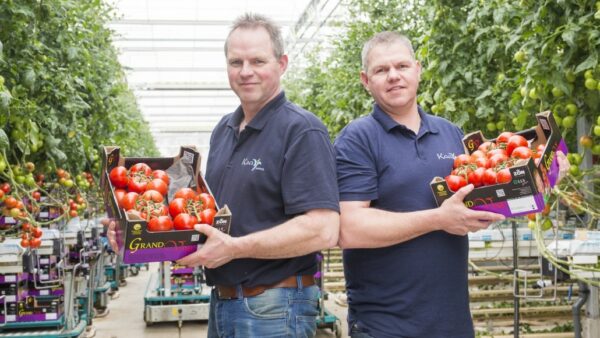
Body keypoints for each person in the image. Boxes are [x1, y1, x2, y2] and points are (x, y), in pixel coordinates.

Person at [108, 12, 339, 338]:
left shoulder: (301, 130)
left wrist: (235, 248)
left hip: (274, 307)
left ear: (282, 63)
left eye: (258, 61)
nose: (246, 72)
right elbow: (205, 221)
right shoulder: (224, 130)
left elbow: (323, 230)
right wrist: (136, 233)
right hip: (223, 301)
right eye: (236, 62)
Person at [334, 31, 571, 338]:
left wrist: (543, 174)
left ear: (418, 69)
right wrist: (438, 219)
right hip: (385, 324)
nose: (393, 76)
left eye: (402, 66)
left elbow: (487, 195)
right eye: (381, 70)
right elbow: (349, 229)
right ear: (366, 80)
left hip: (452, 321)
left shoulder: (449, 133)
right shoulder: (357, 138)